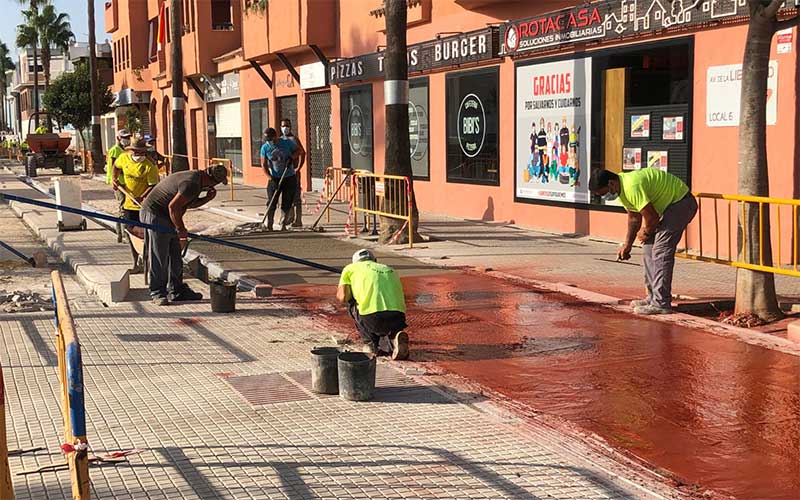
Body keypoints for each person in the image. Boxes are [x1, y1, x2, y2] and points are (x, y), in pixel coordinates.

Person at [588, 168, 698, 315]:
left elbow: (651, 218)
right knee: (648, 249)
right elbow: (634, 219)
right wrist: (626, 245)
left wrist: (646, 232)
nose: (603, 197)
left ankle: (661, 303)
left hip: (680, 204)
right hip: (665, 209)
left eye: (602, 193)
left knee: (661, 252)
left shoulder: (631, 186)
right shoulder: (621, 190)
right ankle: (652, 297)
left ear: (611, 183)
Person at [140, 164, 229, 305]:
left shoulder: (198, 181)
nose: (214, 186)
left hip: (167, 215)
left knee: (175, 254)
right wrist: (180, 228)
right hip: (155, 214)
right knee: (159, 255)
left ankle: (177, 290)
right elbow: (173, 207)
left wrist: (207, 198)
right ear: (210, 178)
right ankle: (157, 292)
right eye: (215, 183)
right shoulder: (191, 183)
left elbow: (187, 203)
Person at [336, 249, 409, 360]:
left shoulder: (349, 269)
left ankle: (370, 344)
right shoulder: (389, 269)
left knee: (352, 304)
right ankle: (395, 337)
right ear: (375, 260)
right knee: (384, 308)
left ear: (354, 262)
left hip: (372, 318)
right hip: (398, 317)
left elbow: (343, 297)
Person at [112, 136, 159, 274]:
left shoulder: (150, 166)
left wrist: (142, 196)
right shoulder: (123, 158)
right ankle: (135, 263)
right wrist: (115, 180)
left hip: (144, 207)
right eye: (137, 152)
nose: (139, 155)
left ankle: (148, 263)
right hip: (128, 206)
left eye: (142, 152)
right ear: (131, 151)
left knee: (146, 236)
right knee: (131, 235)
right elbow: (115, 166)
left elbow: (153, 185)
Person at [260, 127, 301, 231]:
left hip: (288, 177)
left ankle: (283, 224)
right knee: (271, 201)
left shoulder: (286, 143)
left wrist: (291, 157)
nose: (269, 142)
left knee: (287, 202)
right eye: (267, 140)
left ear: (275, 137)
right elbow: (263, 165)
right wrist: (270, 178)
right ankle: (269, 225)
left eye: (271, 139)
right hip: (274, 178)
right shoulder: (265, 148)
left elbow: (299, 151)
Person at [280, 118, 307, 228]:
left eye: (287, 125)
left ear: (290, 127)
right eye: (283, 126)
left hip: (293, 173)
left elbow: (302, 153)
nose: (285, 128)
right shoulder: (280, 139)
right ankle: (288, 218)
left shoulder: (294, 139)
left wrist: (298, 168)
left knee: (296, 197)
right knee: (286, 197)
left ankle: (298, 220)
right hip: (283, 174)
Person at [107, 129, 132, 242]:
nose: (127, 140)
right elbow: (114, 167)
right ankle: (123, 234)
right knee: (122, 207)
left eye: (128, 137)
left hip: (127, 182)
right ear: (118, 138)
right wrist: (114, 180)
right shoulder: (115, 150)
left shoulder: (127, 150)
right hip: (119, 183)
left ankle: (122, 233)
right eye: (124, 137)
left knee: (126, 207)